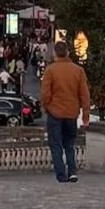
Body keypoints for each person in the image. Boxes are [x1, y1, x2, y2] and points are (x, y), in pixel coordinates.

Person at [40, 40, 90, 183]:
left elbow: (45, 93)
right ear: (68, 52)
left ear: (55, 53)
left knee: (55, 145)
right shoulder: (78, 71)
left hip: (55, 112)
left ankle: (61, 174)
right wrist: (85, 115)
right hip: (71, 113)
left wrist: (46, 106)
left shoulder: (50, 70)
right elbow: (84, 95)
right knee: (69, 144)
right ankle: (72, 171)